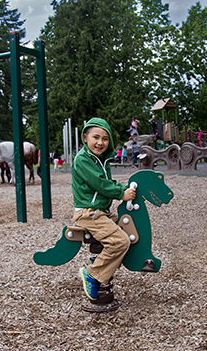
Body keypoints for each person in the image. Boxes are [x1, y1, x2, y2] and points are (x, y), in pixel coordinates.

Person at [72, 118, 136, 301]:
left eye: (105, 139)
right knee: (120, 241)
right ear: (85, 137)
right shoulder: (83, 159)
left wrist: (124, 188)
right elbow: (100, 184)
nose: (100, 142)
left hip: (100, 211)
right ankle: (93, 273)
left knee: (130, 228)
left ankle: (100, 262)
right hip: (88, 213)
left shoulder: (101, 159)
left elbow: (107, 182)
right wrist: (121, 194)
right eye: (96, 137)